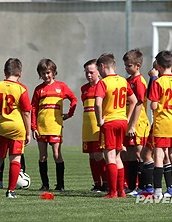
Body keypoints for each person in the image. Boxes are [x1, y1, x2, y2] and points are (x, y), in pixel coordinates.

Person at [0, 58, 32, 198]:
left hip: (1, 128)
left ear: (5, 72)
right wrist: (28, 133)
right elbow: (27, 112)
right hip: (17, 128)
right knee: (15, 159)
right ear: (20, 73)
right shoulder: (22, 88)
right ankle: (10, 191)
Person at [94, 52, 138, 198]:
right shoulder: (123, 81)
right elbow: (134, 100)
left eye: (98, 69)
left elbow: (98, 103)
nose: (99, 73)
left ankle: (112, 192)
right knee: (118, 156)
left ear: (102, 66)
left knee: (110, 157)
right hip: (122, 122)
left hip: (110, 123)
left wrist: (100, 120)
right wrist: (127, 117)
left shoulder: (103, 82)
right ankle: (121, 191)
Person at [31, 58, 77, 192]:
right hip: (41, 127)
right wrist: (33, 127)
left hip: (55, 126)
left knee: (57, 155)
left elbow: (73, 99)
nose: (46, 76)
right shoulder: (38, 90)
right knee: (42, 156)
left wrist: (69, 114)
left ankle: (60, 185)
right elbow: (33, 109)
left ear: (54, 72)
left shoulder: (61, 86)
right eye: (43, 73)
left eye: (48, 73)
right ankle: (45, 184)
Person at [148, 50, 172, 199]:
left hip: (162, 124)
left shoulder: (158, 82)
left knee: (158, 155)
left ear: (158, 65)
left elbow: (154, 105)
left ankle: (157, 191)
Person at [121, 49, 150, 196]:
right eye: (125, 65)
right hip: (128, 123)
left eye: (129, 65)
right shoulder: (128, 81)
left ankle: (143, 187)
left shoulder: (139, 81)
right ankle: (132, 186)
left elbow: (139, 104)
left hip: (138, 124)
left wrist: (132, 124)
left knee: (140, 155)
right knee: (130, 155)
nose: (126, 68)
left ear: (138, 65)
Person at [80, 59, 107, 192]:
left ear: (98, 71)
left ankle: (106, 182)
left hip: (98, 127)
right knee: (91, 156)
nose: (89, 75)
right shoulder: (84, 88)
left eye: (91, 72)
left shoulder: (103, 85)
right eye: (86, 72)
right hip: (87, 128)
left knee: (98, 155)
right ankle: (97, 184)